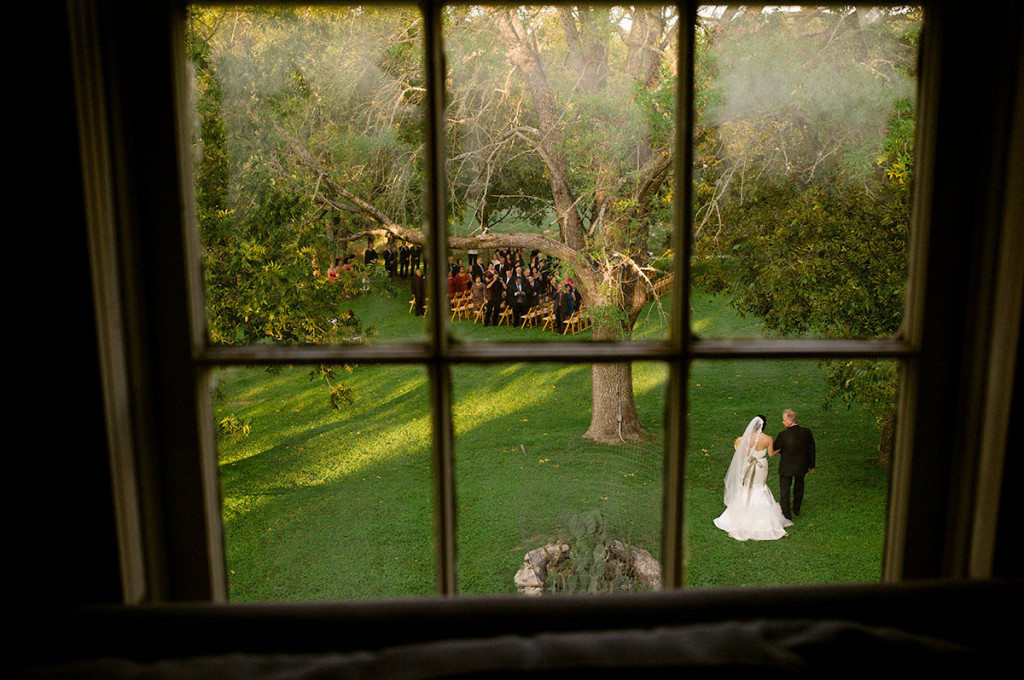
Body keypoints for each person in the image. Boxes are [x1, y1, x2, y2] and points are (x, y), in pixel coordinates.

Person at [713, 415, 792, 541]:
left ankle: (741, 514)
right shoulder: (768, 439)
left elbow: (744, 453)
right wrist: (780, 449)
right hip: (761, 465)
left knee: (748, 487)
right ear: (764, 426)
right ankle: (763, 521)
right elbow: (771, 454)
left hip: (749, 464)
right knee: (760, 486)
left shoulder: (747, 438)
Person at [773, 409, 816, 520]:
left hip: (786, 466)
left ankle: (786, 515)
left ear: (790, 421)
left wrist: (785, 452)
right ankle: (796, 509)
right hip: (802, 465)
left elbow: (775, 447)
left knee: (785, 491)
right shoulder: (806, 432)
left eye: (784, 420)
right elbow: (811, 449)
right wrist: (811, 465)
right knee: (799, 487)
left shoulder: (783, 435)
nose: (782, 422)